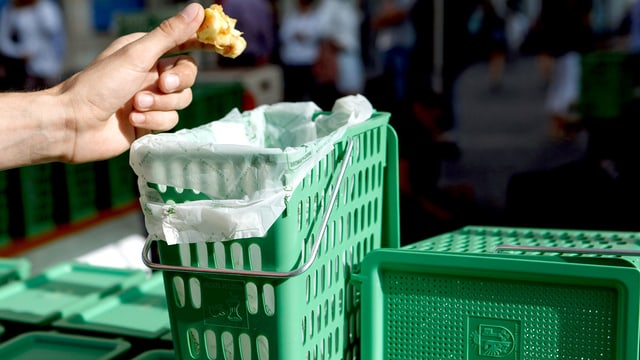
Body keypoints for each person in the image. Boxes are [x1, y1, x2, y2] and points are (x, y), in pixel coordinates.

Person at [0, 3, 213, 171]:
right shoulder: (11, 10)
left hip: (47, 67)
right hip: (24, 66)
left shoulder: (45, 9)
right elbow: (3, 37)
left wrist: (70, 113)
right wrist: (20, 52)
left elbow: (55, 37)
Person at [0, 0, 66, 90]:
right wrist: (18, 52)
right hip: (25, 67)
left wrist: (39, 7)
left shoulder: (45, 6)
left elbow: (53, 28)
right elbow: (3, 40)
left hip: (49, 64)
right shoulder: (10, 9)